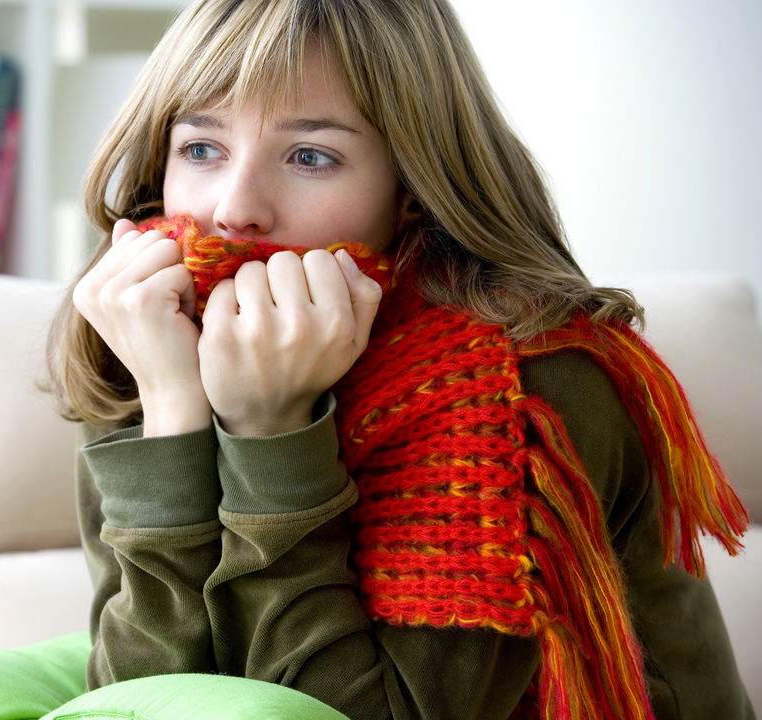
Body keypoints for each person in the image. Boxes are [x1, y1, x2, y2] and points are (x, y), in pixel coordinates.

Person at [42, 0, 754, 717]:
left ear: (411, 189)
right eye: (201, 149)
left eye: (309, 156)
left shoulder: (518, 383)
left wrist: (272, 435)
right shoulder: (155, 333)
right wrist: (172, 412)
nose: (233, 209)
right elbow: (133, 699)